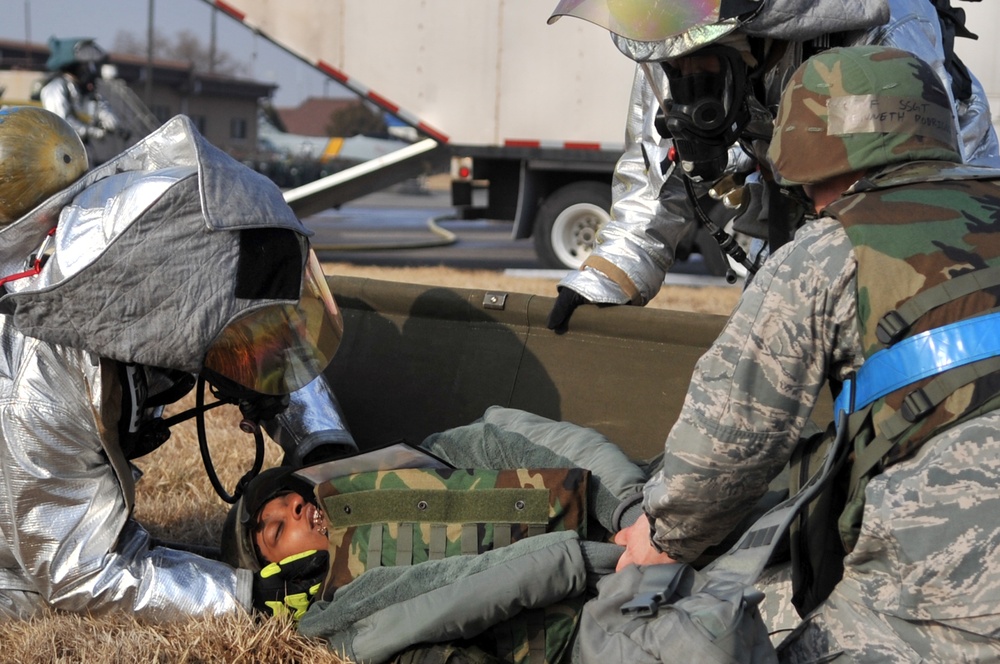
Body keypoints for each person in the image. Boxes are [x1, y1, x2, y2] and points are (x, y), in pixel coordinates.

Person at [614, 45, 1000, 661]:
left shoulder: (828, 251)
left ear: (813, 156)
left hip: (955, 603)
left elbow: (729, 440)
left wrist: (662, 536)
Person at [0, 105, 355, 621]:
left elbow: (260, 321)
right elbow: (75, 573)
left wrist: (321, 442)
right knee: (30, 602)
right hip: (17, 562)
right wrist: (247, 598)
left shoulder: (158, 229)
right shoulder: (38, 384)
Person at [545, 0, 1000, 331]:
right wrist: (605, 280)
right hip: (790, 213)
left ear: (749, 35)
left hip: (922, 218)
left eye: (694, 61)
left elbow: (905, 196)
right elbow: (652, 188)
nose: (681, 73)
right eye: (672, 64)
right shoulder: (674, 45)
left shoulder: (887, 27)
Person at [38, 37, 124, 165]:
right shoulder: (55, 88)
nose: (90, 69)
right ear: (72, 66)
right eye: (85, 65)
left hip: (83, 154)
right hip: (60, 157)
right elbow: (60, 123)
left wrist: (108, 117)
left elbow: (99, 107)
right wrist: (92, 131)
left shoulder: (82, 89)